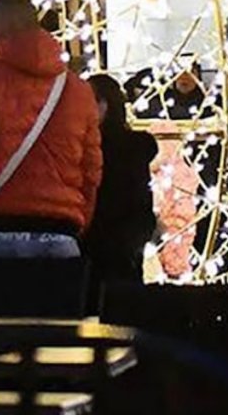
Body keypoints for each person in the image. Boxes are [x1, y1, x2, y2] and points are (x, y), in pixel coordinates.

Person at [0, 0, 101, 316]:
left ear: (3, 25)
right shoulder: (79, 90)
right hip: (60, 235)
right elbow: (91, 170)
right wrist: (77, 218)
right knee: (55, 341)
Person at [83, 72, 159, 305]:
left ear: (105, 104)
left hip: (107, 251)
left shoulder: (116, 149)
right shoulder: (132, 149)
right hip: (118, 253)